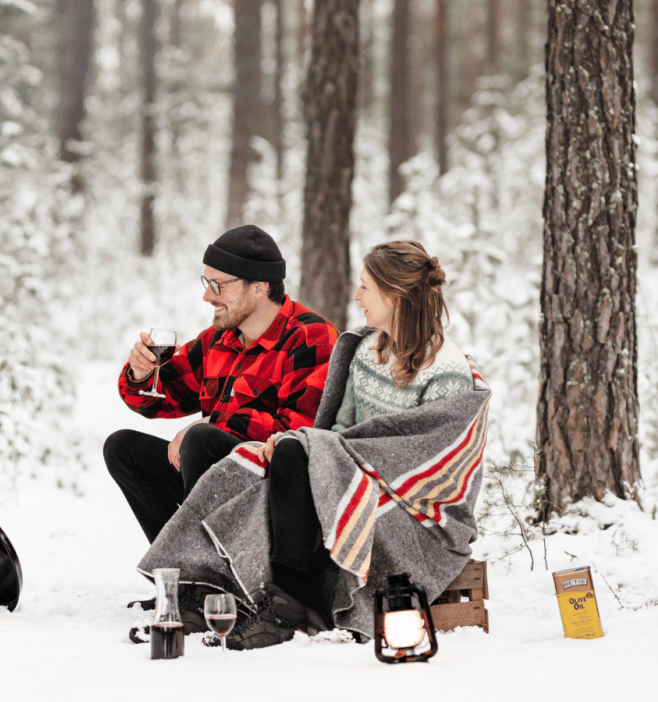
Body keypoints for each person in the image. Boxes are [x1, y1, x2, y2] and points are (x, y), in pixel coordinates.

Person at [137, 240, 491, 649]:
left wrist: (311, 446)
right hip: (356, 473)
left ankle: (293, 604)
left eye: (365, 287)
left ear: (394, 296)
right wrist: (141, 375)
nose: (356, 296)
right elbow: (337, 428)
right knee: (281, 452)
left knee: (291, 449)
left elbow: (430, 457)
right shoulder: (369, 351)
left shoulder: (444, 371)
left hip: (409, 499)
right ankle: (239, 589)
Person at [103, 224, 338, 548]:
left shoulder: (311, 336)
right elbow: (157, 401)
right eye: (206, 282)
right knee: (123, 448)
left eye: (218, 285)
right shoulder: (219, 339)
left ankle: (213, 580)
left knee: (201, 438)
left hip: (277, 495)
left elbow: (299, 434)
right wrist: (141, 374)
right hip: (213, 481)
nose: (206, 295)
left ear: (257, 287)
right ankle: (179, 575)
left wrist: (213, 424)